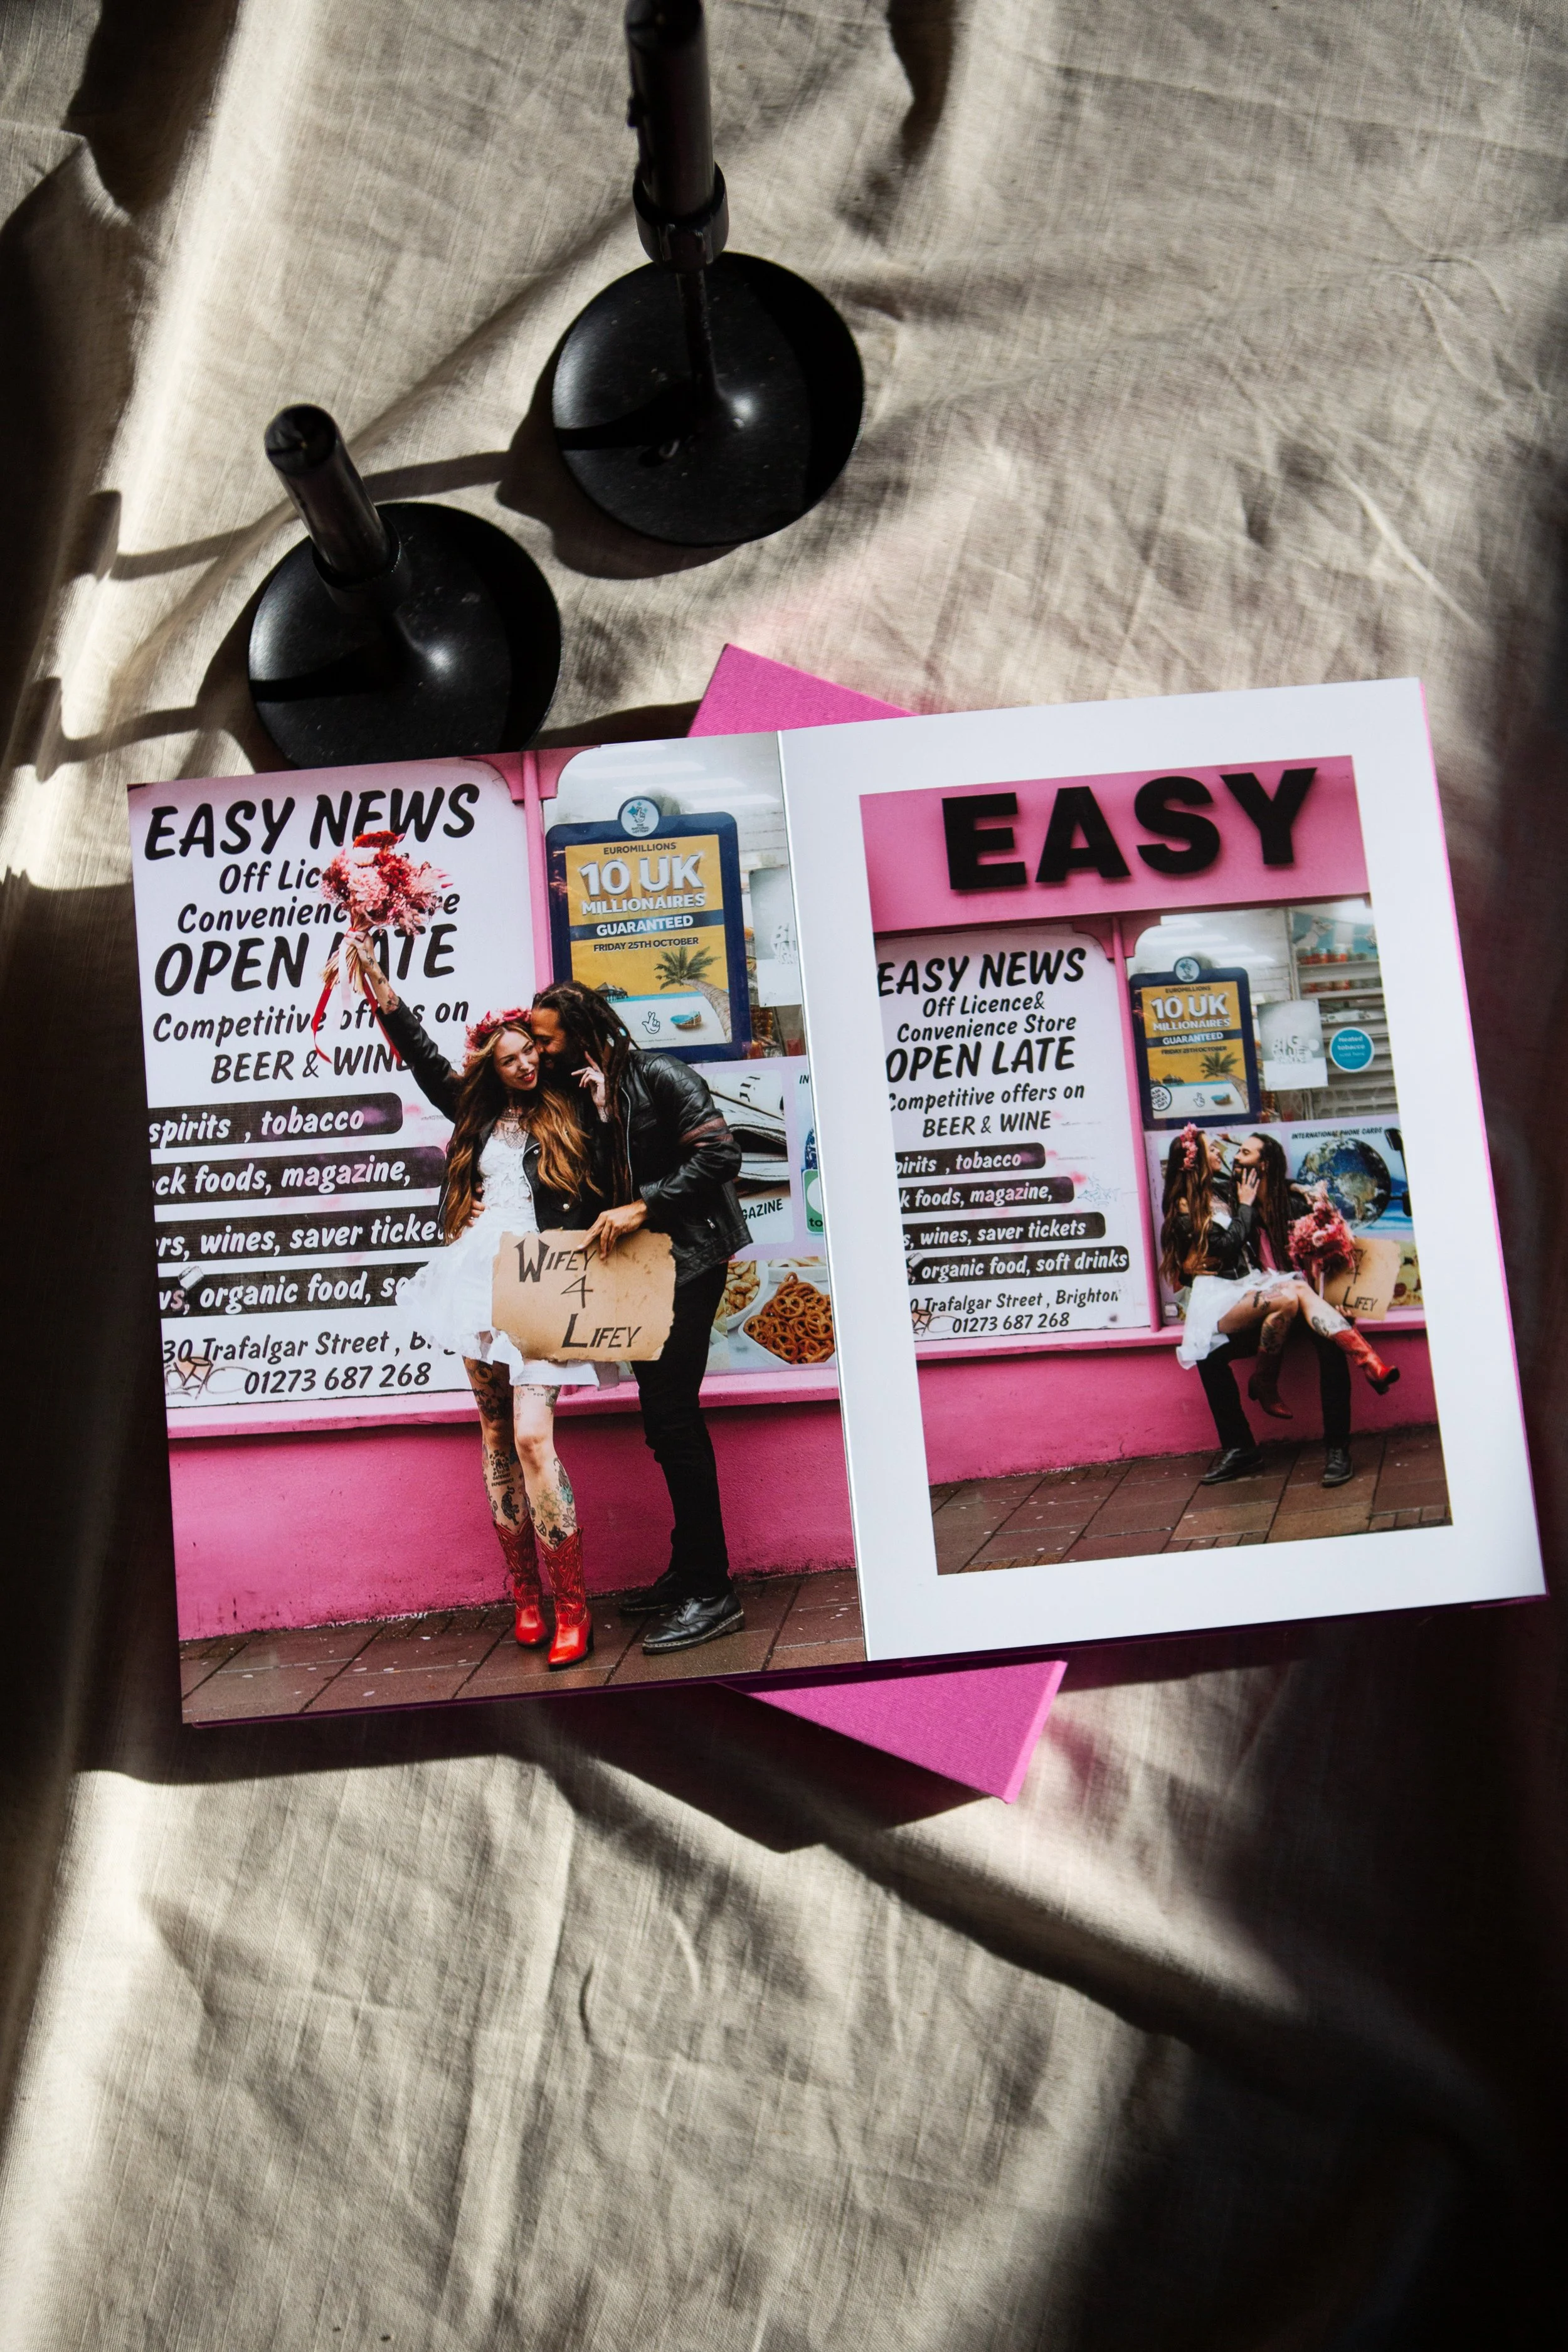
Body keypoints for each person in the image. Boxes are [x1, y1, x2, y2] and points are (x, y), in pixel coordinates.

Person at [361, 956, 605, 1669]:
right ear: (491, 1067)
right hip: (476, 1279)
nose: (527, 1063)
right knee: (496, 1428)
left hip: (544, 1277)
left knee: (533, 1436)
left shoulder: (571, 1103)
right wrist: (383, 989)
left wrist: (608, 1103)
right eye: (512, 1058)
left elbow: (614, 1162)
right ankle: (525, 1597)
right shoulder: (473, 1111)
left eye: (532, 1049)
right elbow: (423, 1055)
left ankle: (573, 1606)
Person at [529, 980, 751, 1656]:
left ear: (583, 1030)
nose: (538, 1050)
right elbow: (602, 1184)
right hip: (649, 1270)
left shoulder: (659, 1074)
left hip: (689, 1262)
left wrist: (645, 1205)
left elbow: (721, 1153)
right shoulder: (591, 1092)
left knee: (674, 1419)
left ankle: (712, 1591)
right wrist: (599, 1120)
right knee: (663, 1420)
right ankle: (690, 1572)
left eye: (546, 1038)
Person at [1160, 1125, 1398, 1488]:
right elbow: (1206, 1247)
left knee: (1329, 1340)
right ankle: (1241, 1446)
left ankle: (1337, 1448)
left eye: (1245, 1154)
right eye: (1229, 1154)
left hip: (1300, 1304)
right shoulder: (1228, 1195)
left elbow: (1334, 1247)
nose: (1233, 1156)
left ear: (1264, 1167)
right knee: (1208, 1354)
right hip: (1257, 1302)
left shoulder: (1293, 1204)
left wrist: (1300, 1192)